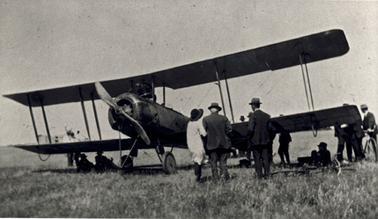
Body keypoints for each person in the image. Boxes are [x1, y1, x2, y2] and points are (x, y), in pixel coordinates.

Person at [203, 102, 232, 181]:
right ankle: (224, 177)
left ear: (211, 110)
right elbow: (229, 130)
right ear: (218, 110)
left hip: (211, 145)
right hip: (223, 144)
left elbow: (203, 133)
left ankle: (215, 179)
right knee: (223, 162)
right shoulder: (224, 118)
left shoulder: (206, 119)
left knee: (213, 162)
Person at [247, 97, 271, 179]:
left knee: (257, 159)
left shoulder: (252, 116)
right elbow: (271, 129)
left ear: (253, 106)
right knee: (266, 158)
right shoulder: (267, 116)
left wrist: (249, 138)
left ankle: (259, 176)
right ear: (259, 105)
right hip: (265, 141)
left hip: (255, 142)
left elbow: (250, 129)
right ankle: (268, 175)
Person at [186, 108, 207, 182]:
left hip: (191, 145)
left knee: (196, 160)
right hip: (197, 145)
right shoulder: (197, 123)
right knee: (199, 161)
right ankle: (198, 177)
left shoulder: (189, 123)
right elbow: (204, 134)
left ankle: (197, 176)